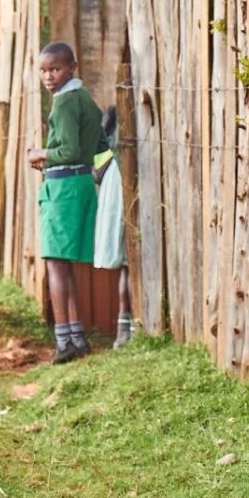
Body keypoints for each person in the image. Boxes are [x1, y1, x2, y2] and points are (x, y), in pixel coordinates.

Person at [27, 42, 108, 364]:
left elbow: (72, 151)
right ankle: (76, 337)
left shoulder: (64, 103)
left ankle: (64, 341)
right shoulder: (86, 100)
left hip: (64, 190)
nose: (49, 76)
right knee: (65, 265)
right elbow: (100, 145)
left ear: (72, 67)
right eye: (44, 71)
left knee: (56, 264)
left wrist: (41, 154)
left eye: (55, 69)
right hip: (82, 184)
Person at [93, 106, 133, 349]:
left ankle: (126, 327)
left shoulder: (116, 111)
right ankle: (126, 326)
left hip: (122, 178)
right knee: (128, 260)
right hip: (122, 178)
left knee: (129, 263)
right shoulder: (118, 112)